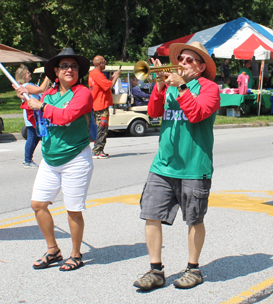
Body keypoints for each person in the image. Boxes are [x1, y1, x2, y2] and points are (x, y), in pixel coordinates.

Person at [133, 41, 220, 290]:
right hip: (163, 164)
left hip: (194, 166)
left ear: (201, 67)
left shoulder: (209, 88)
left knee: (194, 219)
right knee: (151, 215)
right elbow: (153, 113)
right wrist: (159, 85)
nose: (181, 63)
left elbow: (196, 114)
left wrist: (181, 87)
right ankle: (155, 270)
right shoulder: (169, 85)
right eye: (180, 58)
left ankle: (193, 269)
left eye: (189, 60)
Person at [16, 48, 94, 271]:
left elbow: (66, 116)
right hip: (50, 159)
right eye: (65, 66)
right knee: (38, 204)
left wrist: (41, 105)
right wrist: (26, 98)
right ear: (56, 72)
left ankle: (76, 254)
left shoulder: (83, 93)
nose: (70, 69)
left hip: (76, 157)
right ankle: (53, 250)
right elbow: (37, 116)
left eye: (74, 66)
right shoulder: (49, 95)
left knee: (73, 209)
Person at [15, 65, 50, 168]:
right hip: (32, 116)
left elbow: (43, 90)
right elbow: (41, 89)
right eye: (27, 72)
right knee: (32, 137)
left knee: (36, 137)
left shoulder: (27, 85)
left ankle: (28, 159)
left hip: (35, 115)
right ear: (23, 76)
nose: (30, 73)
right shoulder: (26, 85)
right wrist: (48, 75)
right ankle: (27, 160)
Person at [88, 56, 121, 159]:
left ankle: (97, 149)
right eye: (104, 62)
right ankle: (98, 151)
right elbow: (109, 87)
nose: (105, 64)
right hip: (101, 104)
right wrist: (116, 77)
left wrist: (111, 77)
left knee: (100, 127)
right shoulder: (97, 74)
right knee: (102, 128)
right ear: (99, 64)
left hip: (98, 104)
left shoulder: (93, 73)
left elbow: (106, 84)